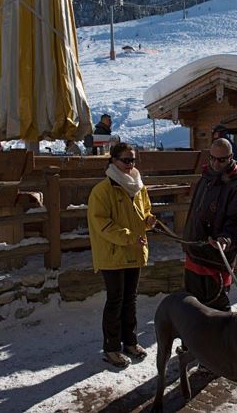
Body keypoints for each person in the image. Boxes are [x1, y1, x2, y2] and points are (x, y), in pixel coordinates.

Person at [87, 142, 156, 368]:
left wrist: (148, 220)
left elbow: (145, 210)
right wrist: (128, 237)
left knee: (130, 299)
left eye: (133, 160)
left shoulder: (138, 185)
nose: (130, 164)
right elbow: (102, 224)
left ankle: (130, 342)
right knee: (116, 300)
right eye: (126, 160)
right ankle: (111, 348)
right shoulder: (102, 191)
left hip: (134, 248)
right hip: (113, 252)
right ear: (113, 161)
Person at [182, 138, 237, 312]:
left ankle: (221, 340)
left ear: (231, 157)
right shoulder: (206, 176)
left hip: (215, 257)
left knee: (216, 311)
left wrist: (225, 239)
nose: (216, 163)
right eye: (212, 158)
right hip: (194, 252)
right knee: (193, 308)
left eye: (221, 160)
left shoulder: (236, 185)